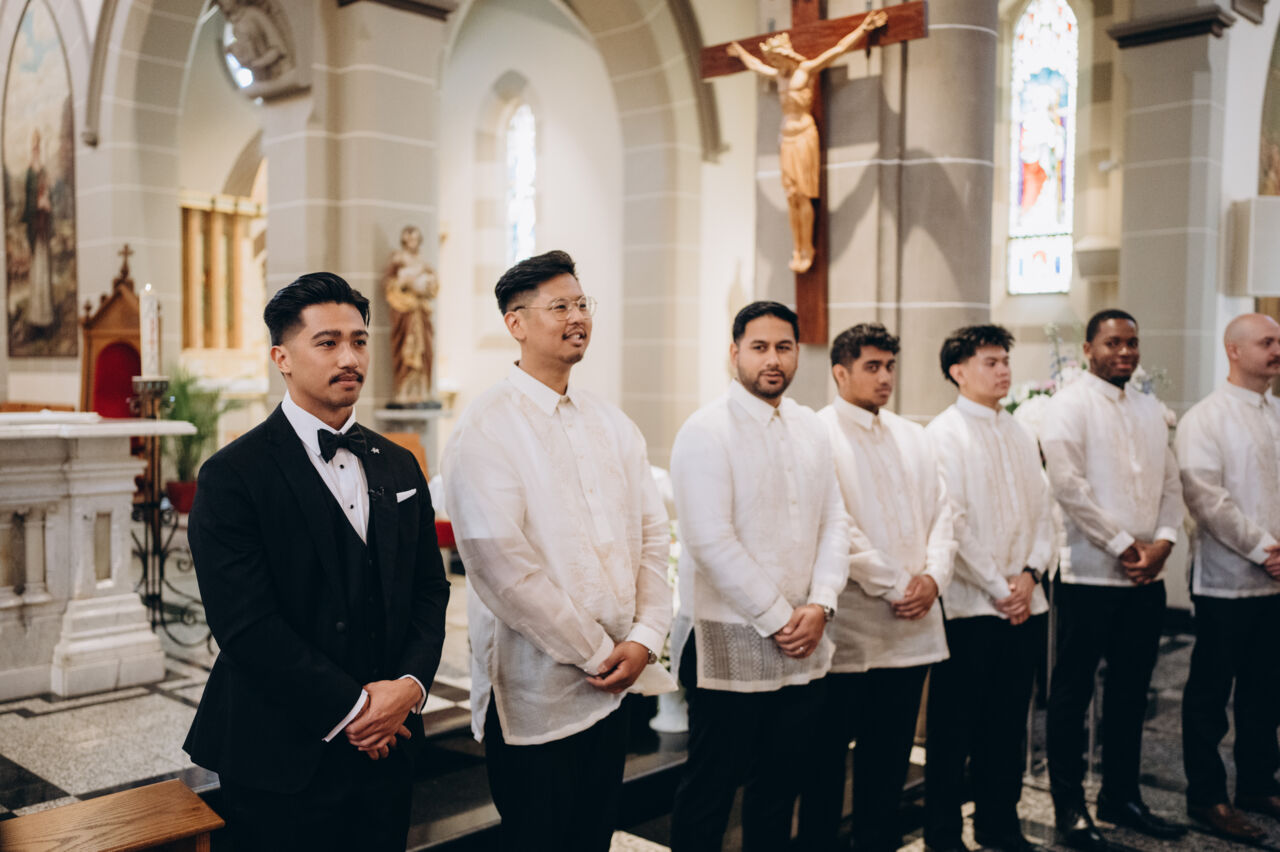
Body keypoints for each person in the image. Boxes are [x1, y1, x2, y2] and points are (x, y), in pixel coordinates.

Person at [184, 272, 450, 851]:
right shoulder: (233, 475)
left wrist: (408, 687)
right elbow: (245, 626)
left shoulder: (399, 464)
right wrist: (357, 710)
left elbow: (430, 590)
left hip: (391, 745)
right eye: (327, 342)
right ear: (281, 357)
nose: (349, 357)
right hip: (281, 752)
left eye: (358, 341)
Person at [441, 250, 672, 852]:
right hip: (536, 694)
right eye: (559, 307)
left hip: (615, 684)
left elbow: (652, 534)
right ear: (515, 323)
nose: (578, 317)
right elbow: (502, 570)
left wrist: (646, 635)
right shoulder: (486, 428)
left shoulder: (611, 423)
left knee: (593, 837)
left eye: (582, 304)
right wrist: (597, 651)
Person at [669, 301, 848, 852]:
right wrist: (780, 619)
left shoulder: (810, 426)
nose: (773, 359)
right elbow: (709, 539)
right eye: (760, 347)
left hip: (804, 640)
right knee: (711, 789)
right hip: (729, 638)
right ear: (735, 353)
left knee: (778, 787)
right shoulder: (706, 430)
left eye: (784, 347)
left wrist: (821, 603)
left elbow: (835, 520)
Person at [798, 322, 955, 852]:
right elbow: (836, 526)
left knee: (889, 759)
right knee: (825, 762)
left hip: (913, 627)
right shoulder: (818, 433)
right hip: (853, 628)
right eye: (872, 366)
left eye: (889, 366)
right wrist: (897, 586)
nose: (885, 377)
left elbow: (943, 513)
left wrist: (934, 577)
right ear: (840, 373)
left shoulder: (914, 435)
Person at [1040, 309, 1186, 850]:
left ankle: (1121, 796)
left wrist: (1164, 541)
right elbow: (1068, 486)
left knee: (1131, 692)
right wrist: (1125, 545)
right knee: (1072, 694)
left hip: (1145, 579)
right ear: (1088, 349)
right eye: (1112, 343)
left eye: (1132, 342)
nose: (1125, 352)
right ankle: (1069, 808)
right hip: (1089, 575)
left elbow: (1171, 483)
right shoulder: (1068, 405)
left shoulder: (1148, 408)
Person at [924, 325, 1053, 852]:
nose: (1003, 371)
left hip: (1025, 600)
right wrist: (1001, 587)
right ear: (958, 371)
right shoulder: (943, 434)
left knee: (1008, 723)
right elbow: (951, 522)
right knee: (954, 727)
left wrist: (1031, 574)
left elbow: (1045, 509)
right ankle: (943, 834)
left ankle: (999, 823)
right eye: (990, 362)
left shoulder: (1019, 431)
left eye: (1005, 361)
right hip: (970, 607)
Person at [1178, 312, 1280, 841]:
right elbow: (1206, 497)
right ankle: (1207, 796)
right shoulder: (1205, 418)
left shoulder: (1277, 412)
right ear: (1234, 350)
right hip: (1227, 579)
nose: (1277, 350)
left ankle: (1257, 783)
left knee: (1266, 689)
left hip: (1276, 581)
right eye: (1267, 342)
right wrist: (1264, 549)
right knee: (1210, 694)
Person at [725, 10, 886, 273]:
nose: (774, 63)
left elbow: (838, 49)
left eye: (776, 59)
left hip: (803, 135)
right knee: (791, 197)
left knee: (802, 195)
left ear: (786, 55)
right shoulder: (779, 75)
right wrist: (741, 53)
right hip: (786, 137)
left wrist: (864, 29)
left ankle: (807, 247)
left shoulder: (806, 69)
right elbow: (755, 66)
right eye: (772, 60)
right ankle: (797, 247)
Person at [384, 225, 439, 405]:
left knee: (425, 351)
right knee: (406, 350)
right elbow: (390, 286)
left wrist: (427, 284)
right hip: (405, 313)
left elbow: (434, 287)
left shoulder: (423, 262)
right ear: (404, 241)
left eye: (415, 239)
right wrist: (405, 283)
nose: (412, 243)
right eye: (409, 239)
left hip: (421, 313)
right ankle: (404, 389)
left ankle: (422, 390)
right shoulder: (398, 260)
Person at [23, 128, 54, 330]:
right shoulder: (30, 173)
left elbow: (48, 197)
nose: (36, 150)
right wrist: (37, 204)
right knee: (36, 273)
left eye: (38, 147)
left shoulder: (43, 171)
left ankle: (46, 316)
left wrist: (47, 204)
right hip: (35, 230)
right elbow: (28, 204)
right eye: (33, 147)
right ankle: (36, 317)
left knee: (45, 272)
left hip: (43, 230)